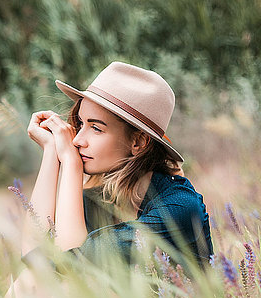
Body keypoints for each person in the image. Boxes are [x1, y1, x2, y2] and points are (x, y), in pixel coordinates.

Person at [17, 61, 213, 280]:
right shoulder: (99, 199)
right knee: (29, 280)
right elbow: (33, 257)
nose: (78, 139)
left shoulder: (179, 207)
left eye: (96, 128)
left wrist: (71, 163)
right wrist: (51, 151)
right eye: (80, 124)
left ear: (138, 142)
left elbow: (73, 273)